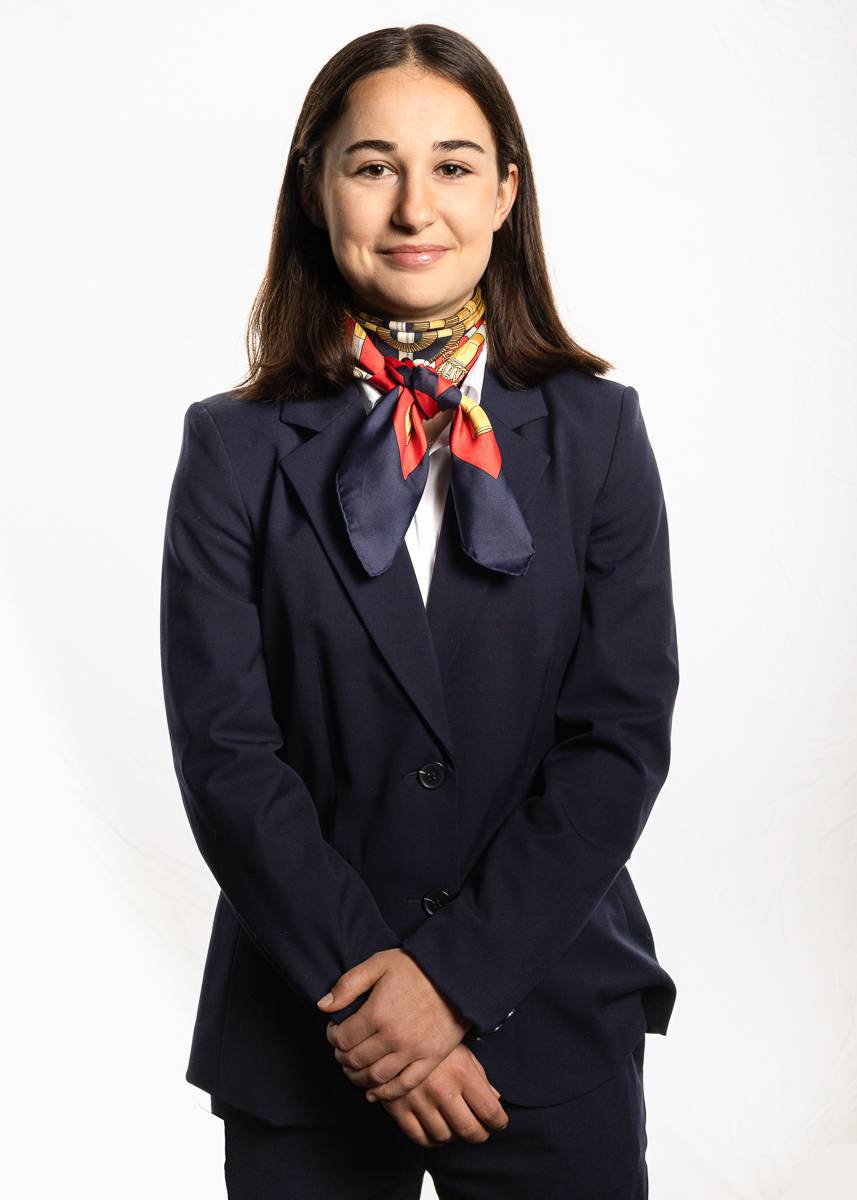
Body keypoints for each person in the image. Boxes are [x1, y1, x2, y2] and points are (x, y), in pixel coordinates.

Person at [160, 22, 680, 1199]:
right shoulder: (230, 448)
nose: (413, 208)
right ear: (316, 189)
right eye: (371, 165)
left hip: (549, 1012)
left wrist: (448, 986)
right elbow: (226, 756)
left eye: (450, 164)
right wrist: (372, 998)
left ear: (504, 192)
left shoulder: (598, 434)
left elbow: (616, 740)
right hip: (308, 1028)